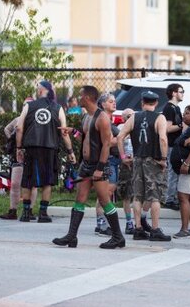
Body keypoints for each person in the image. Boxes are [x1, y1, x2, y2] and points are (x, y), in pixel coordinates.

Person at [53, 85, 125, 249]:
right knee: (80, 199)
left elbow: (107, 145)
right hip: (86, 165)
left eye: (80, 96)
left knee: (104, 201)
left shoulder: (102, 118)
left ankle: (118, 237)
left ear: (87, 98)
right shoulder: (87, 117)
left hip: (98, 166)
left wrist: (100, 168)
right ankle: (71, 236)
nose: (77, 98)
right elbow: (86, 139)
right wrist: (73, 132)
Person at [16, 80, 76, 222]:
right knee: (47, 182)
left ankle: (25, 213)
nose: (37, 91)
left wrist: (18, 148)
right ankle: (43, 214)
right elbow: (64, 132)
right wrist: (70, 151)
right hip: (50, 148)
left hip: (31, 147)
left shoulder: (29, 106)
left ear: (41, 90)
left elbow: (19, 128)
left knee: (28, 180)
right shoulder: (58, 108)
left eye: (38, 88)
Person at [117, 90, 171, 242]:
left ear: (142, 103)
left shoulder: (134, 117)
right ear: (155, 103)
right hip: (153, 160)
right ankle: (155, 229)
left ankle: (138, 228)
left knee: (138, 195)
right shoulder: (160, 118)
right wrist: (163, 158)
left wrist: (123, 157)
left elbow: (120, 136)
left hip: (138, 159)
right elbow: (163, 139)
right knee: (155, 196)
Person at [0, 114, 38, 220]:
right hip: (18, 154)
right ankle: (13, 211)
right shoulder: (18, 119)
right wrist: (12, 140)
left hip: (33, 153)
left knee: (33, 184)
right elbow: (7, 129)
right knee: (15, 183)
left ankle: (29, 210)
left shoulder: (38, 120)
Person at [171, 105, 190, 239]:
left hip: (188, 169)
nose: (184, 115)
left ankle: (185, 229)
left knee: (183, 198)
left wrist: (187, 163)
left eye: (187, 113)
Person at [93, 93, 120, 236]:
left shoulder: (108, 119)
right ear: (103, 104)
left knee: (109, 192)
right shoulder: (103, 119)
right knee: (105, 193)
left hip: (114, 159)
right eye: (111, 101)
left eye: (114, 101)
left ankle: (104, 223)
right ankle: (102, 225)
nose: (114, 104)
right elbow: (108, 142)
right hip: (107, 159)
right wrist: (123, 135)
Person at [162, 83, 184, 211]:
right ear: (174, 93)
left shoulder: (176, 108)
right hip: (171, 145)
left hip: (176, 145)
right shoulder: (169, 108)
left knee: (176, 172)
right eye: (181, 91)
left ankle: (173, 197)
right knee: (173, 172)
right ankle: (169, 199)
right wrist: (182, 126)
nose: (182, 94)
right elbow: (167, 128)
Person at [117, 108, 136, 235]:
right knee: (126, 194)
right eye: (128, 116)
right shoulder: (120, 128)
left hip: (138, 162)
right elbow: (117, 141)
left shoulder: (139, 126)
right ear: (124, 118)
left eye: (133, 115)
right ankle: (129, 222)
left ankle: (139, 222)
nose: (131, 118)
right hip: (126, 164)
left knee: (139, 194)